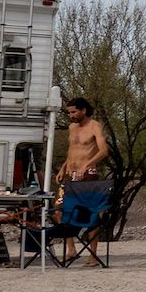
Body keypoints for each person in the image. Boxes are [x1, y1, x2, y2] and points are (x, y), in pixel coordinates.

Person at [55, 97, 110, 263]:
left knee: (90, 213)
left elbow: (103, 151)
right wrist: (63, 167)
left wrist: (87, 165)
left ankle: (93, 254)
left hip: (88, 175)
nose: (71, 115)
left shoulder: (95, 126)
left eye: (73, 111)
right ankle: (71, 248)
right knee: (59, 210)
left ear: (83, 110)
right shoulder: (72, 127)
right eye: (69, 112)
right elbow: (72, 151)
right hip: (70, 175)